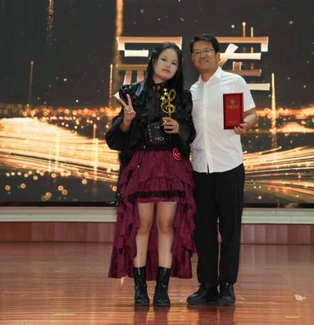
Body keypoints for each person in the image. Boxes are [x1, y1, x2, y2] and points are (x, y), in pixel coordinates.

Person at [106, 42, 197, 307]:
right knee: (142, 225)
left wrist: (178, 129)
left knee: (166, 225)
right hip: (142, 166)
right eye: (164, 59)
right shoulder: (131, 93)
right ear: (153, 60)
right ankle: (140, 290)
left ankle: (162, 290)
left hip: (171, 166)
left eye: (174, 63)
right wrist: (126, 120)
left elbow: (190, 136)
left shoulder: (183, 97)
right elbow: (115, 139)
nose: (168, 66)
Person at [186, 33, 258, 306]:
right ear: (192, 59)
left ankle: (227, 284)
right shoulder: (191, 92)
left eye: (206, 50)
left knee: (230, 229)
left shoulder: (234, 82)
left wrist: (246, 124)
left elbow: (252, 114)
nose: (202, 55)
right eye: (196, 52)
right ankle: (207, 285)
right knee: (203, 231)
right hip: (199, 168)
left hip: (229, 165)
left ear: (217, 55)